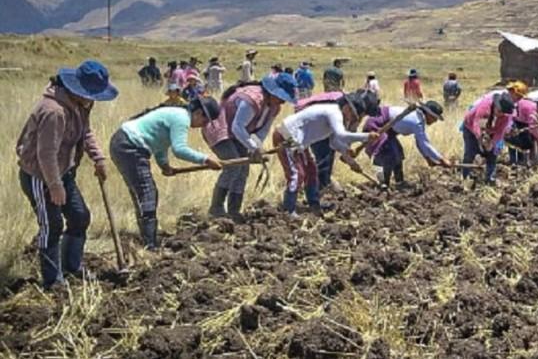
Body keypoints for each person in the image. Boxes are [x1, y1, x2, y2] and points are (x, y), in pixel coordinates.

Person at [17, 60, 118, 289]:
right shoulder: (54, 111)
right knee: (51, 225)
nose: (93, 99)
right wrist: (54, 185)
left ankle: (72, 266)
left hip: (63, 171)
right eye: (91, 94)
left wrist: (98, 158)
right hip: (39, 176)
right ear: (76, 88)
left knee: (80, 216)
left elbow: (86, 132)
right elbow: (46, 153)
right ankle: (53, 281)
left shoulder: (81, 104)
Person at [110, 98, 223, 249]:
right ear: (198, 113)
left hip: (125, 142)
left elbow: (160, 142)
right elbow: (179, 149)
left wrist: (164, 164)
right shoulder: (181, 119)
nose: (204, 125)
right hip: (130, 146)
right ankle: (149, 244)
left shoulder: (177, 115)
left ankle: (148, 238)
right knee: (147, 193)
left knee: (144, 194)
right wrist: (206, 160)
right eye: (205, 120)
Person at [203, 73, 298, 221]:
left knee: (243, 170)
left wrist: (256, 146)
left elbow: (263, 130)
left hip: (241, 135)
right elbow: (237, 127)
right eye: (281, 98)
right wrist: (254, 148)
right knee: (234, 165)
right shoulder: (252, 100)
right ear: (272, 92)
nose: (282, 102)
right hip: (222, 131)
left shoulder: (274, 107)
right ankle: (216, 208)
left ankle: (234, 211)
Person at [274, 91, 380, 217]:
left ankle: (314, 204)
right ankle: (288, 209)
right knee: (297, 174)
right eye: (352, 114)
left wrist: (347, 154)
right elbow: (342, 135)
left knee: (311, 170)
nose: (351, 118)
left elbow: (334, 142)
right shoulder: (333, 112)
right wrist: (366, 137)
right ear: (346, 107)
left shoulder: (337, 115)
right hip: (286, 135)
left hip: (299, 142)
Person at [365, 101, 450, 188]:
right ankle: (384, 184)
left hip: (389, 132)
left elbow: (420, 143)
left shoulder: (418, 119)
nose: (435, 121)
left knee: (398, 153)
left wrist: (428, 159)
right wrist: (442, 159)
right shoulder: (417, 122)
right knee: (390, 155)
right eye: (435, 118)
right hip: (378, 126)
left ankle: (399, 183)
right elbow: (425, 143)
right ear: (429, 114)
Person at [462, 91, 515, 184]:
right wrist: (480, 140)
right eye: (499, 111)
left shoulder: (506, 115)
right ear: (495, 105)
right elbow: (476, 125)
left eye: (503, 113)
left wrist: (492, 143)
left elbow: (500, 132)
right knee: (470, 152)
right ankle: (465, 177)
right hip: (471, 128)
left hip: (491, 131)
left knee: (493, 154)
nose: (500, 115)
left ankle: (489, 178)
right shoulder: (485, 106)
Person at [505, 98, 538, 166]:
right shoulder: (532, 112)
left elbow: (534, 129)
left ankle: (522, 160)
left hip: (520, 119)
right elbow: (534, 131)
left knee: (525, 140)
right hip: (512, 118)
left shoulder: (534, 107)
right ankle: (514, 161)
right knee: (514, 140)